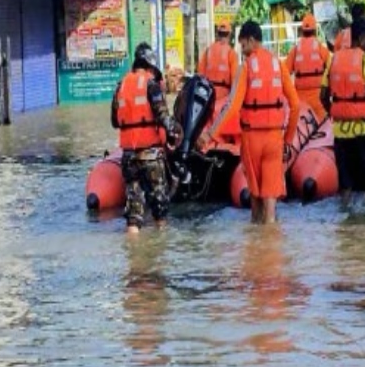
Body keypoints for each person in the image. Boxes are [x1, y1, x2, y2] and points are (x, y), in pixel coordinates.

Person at [199, 20, 300, 224]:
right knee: (271, 206)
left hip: (252, 140)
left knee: (255, 204)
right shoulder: (278, 64)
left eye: (242, 44)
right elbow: (296, 105)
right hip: (274, 140)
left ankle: (255, 249)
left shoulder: (246, 68)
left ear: (251, 40)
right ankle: (272, 248)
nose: (241, 50)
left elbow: (232, 106)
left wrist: (209, 134)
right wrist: (288, 140)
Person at [321, 18, 365, 206]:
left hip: (339, 133)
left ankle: (345, 219)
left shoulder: (333, 60)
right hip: (363, 132)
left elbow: (323, 95)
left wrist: (335, 113)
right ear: (362, 38)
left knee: (345, 185)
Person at [111, 43, 182, 234]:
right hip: (151, 156)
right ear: (150, 66)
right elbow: (164, 119)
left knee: (133, 215)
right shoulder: (151, 85)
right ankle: (160, 256)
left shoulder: (121, 86)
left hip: (128, 158)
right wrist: (177, 130)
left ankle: (132, 257)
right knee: (160, 212)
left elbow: (115, 122)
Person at [285, 13, 331, 120]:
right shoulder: (321, 49)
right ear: (315, 31)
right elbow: (331, 70)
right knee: (322, 130)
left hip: (301, 100)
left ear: (302, 31)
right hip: (319, 99)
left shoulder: (295, 50)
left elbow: (285, 73)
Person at [197, 21, 239, 102]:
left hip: (208, 97)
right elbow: (235, 81)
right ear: (229, 35)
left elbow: (200, 75)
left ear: (217, 34)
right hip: (224, 99)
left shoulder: (208, 51)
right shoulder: (231, 53)